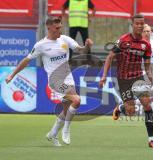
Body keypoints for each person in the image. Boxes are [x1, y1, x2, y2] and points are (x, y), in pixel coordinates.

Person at [5, 16, 93, 147]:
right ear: (49, 28)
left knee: (66, 109)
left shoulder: (65, 39)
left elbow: (80, 50)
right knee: (77, 100)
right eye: (57, 28)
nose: (59, 30)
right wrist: (12, 74)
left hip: (68, 77)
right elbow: (26, 60)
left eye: (61, 27)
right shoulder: (41, 45)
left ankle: (52, 133)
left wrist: (86, 46)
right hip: (55, 80)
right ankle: (66, 129)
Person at [99, 14, 153, 148]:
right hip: (123, 79)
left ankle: (151, 140)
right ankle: (121, 108)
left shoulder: (146, 45)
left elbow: (147, 65)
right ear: (132, 25)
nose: (140, 26)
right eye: (137, 23)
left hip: (138, 77)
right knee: (131, 111)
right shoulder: (123, 40)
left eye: (142, 24)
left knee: (147, 105)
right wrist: (104, 76)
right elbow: (110, 57)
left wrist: (150, 78)